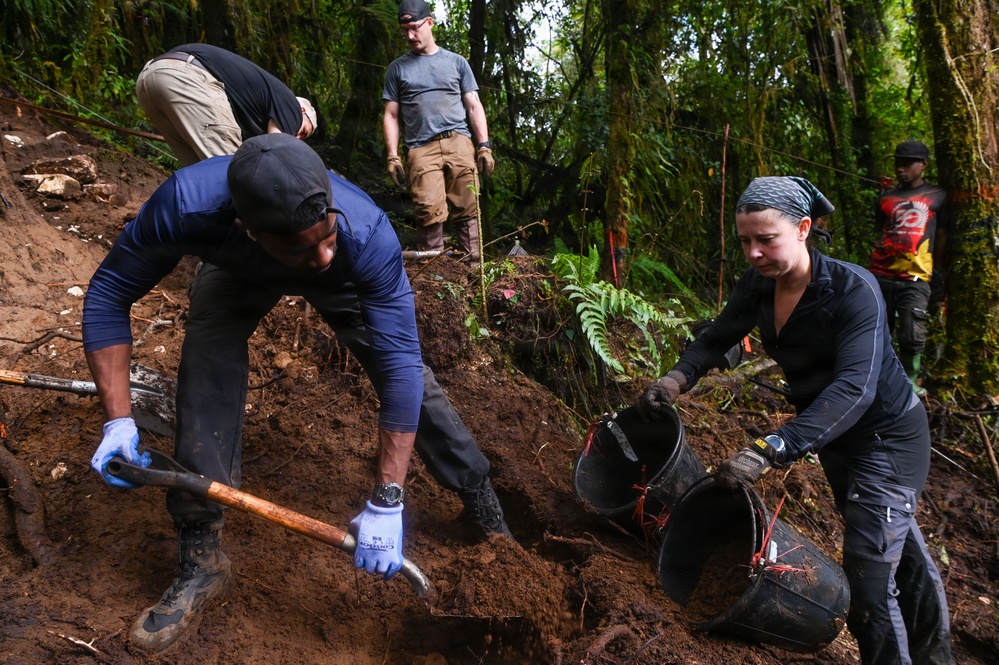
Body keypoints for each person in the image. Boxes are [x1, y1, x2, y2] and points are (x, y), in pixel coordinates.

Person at [82, 133, 511, 653]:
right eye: (303, 246)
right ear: (248, 227)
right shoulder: (186, 205)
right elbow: (108, 295)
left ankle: (480, 500)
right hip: (236, 267)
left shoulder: (363, 232)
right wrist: (118, 421)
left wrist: (387, 499)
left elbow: (399, 365)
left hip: (348, 278)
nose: (322, 255)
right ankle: (201, 554)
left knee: (408, 374)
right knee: (207, 359)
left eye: (326, 234)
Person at [637, 176, 952, 665]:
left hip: (886, 439)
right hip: (833, 437)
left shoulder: (854, 290)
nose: (754, 253)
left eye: (766, 240)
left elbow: (854, 389)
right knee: (899, 551)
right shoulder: (759, 285)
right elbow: (718, 335)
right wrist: (677, 379)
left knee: (869, 579)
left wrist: (771, 449)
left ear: (804, 228)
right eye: (745, 241)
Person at [382, 0, 495, 264]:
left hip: (459, 142)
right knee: (428, 210)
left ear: (429, 23)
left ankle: (474, 274)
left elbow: (473, 105)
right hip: (421, 148)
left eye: (415, 28)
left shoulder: (456, 62)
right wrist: (392, 156)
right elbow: (391, 114)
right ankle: (435, 280)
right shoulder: (397, 69)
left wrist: (484, 146)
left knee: (468, 208)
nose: (410, 35)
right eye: (404, 30)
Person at [136, 43, 318, 167]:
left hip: (151, 76)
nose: (298, 138)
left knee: (198, 176)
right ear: (302, 111)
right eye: (303, 131)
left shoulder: (256, 107)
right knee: (232, 175)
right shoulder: (291, 106)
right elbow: (275, 154)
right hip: (189, 78)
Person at [869, 140, 949, 397]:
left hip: (916, 275)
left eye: (907, 163)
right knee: (879, 331)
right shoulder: (886, 197)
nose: (901, 168)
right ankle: (881, 379)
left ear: (923, 165)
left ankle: (910, 380)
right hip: (881, 273)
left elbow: (943, 235)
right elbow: (880, 231)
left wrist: (939, 272)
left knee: (912, 331)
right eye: (897, 163)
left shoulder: (937, 196)